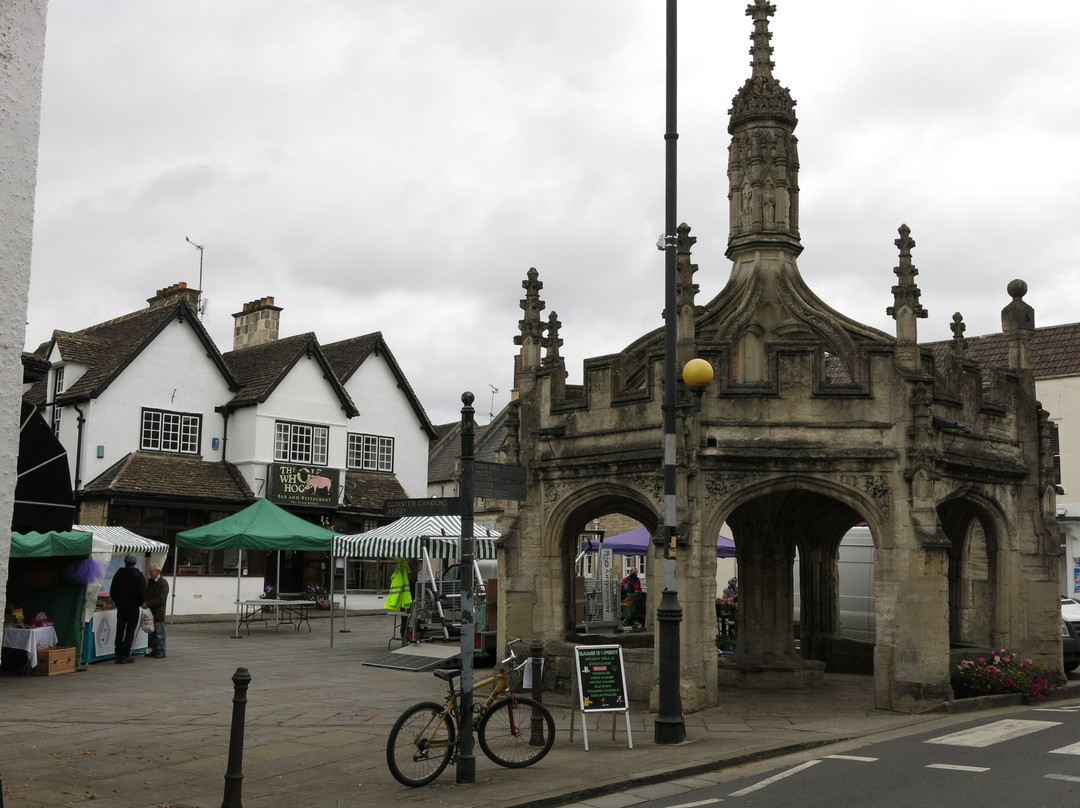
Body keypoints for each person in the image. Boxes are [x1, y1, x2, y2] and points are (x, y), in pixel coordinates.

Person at [110, 554, 146, 663]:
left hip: (121, 607)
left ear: (125, 562)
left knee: (120, 629)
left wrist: (117, 602)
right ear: (134, 563)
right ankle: (125, 655)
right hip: (133, 607)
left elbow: (113, 590)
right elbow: (142, 592)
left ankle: (118, 654)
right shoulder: (138, 575)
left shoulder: (119, 574)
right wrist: (139, 603)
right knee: (130, 631)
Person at [143, 564, 169, 658]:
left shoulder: (163, 583)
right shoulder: (150, 582)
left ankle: (161, 650)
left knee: (160, 632)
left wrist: (148, 604)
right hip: (150, 611)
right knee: (152, 632)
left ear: (157, 572)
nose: (150, 573)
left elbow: (161, 599)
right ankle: (155, 650)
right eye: (149, 571)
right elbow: (147, 593)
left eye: (151, 571)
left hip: (158, 611)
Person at [385, 557, 414, 640]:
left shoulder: (411, 580)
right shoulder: (407, 580)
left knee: (406, 621)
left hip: (405, 603)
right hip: (405, 604)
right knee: (405, 621)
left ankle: (406, 636)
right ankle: (404, 636)